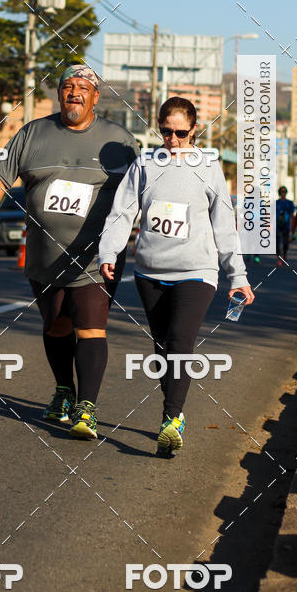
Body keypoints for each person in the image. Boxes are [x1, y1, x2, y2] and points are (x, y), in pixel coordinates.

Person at [0, 65, 139, 440]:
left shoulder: (119, 140)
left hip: (97, 256)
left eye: (83, 87)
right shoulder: (33, 133)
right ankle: (64, 390)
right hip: (45, 255)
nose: (75, 93)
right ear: (58, 94)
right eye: (68, 86)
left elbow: (141, 189)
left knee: (90, 324)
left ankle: (88, 407)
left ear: (96, 97)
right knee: (57, 325)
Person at [98, 96, 254, 457]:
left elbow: (224, 226)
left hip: (197, 271)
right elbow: (123, 213)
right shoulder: (146, 164)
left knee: (181, 342)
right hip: (150, 271)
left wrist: (238, 276)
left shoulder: (209, 167)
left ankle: (172, 418)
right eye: (166, 132)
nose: (173, 140)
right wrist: (109, 251)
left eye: (180, 133)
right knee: (162, 347)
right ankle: (171, 408)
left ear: (194, 130)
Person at [275, 186, 294, 265]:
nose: (283, 193)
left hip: (286, 225)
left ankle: (285, 254)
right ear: (279, 193)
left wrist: (292, 226)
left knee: (285, 242)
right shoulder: (276, 203)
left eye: (284, 192)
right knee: (277, 243)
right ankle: (279, 258)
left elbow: (292, 215)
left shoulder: (289, 203)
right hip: (277, 226)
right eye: (282, 192)